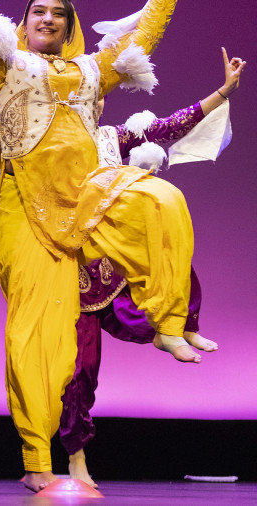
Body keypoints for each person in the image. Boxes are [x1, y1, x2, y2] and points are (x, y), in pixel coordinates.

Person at [0, 0, 194, 491]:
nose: (46, 18)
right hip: (26, 210)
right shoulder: (4, 65)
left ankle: (168, 319)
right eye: (37, 12)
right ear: (23, 24)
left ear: (69, 25)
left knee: (161, 202)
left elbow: (141, 38)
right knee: (37, 334)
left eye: (57, 13)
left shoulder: (90, 71)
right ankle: (37, 462)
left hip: (87, 198)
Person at [61, 48, 243, 487]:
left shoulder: (111, 137)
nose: (92, 100)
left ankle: (174, 326)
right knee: (80, 370)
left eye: (96, 94)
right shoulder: (47, 142)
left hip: (115, 256)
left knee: (167, 208)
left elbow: (168, 126)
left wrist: (223, 92)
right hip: (71, 260)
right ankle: (76, 457)